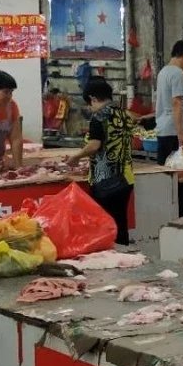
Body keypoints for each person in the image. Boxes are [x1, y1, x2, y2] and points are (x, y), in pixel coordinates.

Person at [69, 78, 135, 246]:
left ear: (93, 98)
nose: (90, 108)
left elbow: (94, 145)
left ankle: (111, 256)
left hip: (105, 180)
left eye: (89, 103)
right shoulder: (124, 114)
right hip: (126, 177)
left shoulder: (98, 117)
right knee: (120, 221)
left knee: (105, 224)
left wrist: (76, 157)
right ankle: (125, 254)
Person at [155, 40, 183, 217]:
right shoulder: (179, 74)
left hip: (164, 130)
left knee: (166, 177)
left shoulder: (163, 72)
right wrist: (181, 133)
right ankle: (180, 217)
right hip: (175, 132)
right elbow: (176, 103)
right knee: (181, 178)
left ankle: (166, 215)